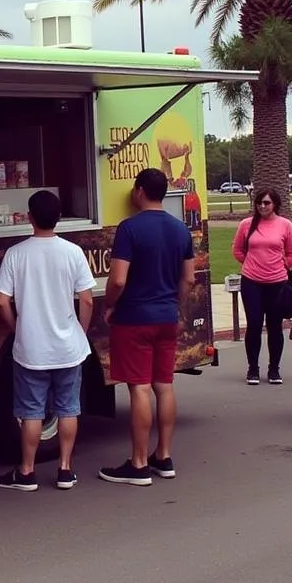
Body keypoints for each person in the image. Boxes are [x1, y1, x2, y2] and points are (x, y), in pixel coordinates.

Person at [0, 190, 95, 492]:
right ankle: (65, 469)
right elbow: (86, 300)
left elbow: (0, 302)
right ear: (59, 218)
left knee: (31, 411)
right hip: (67, 346)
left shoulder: (16, 253)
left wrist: (17, 327)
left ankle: (26, 472)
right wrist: (81, 331)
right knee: (68, 408)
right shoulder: (72, 252)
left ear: (29, 217)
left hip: (31, 348)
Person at [99, 168, 195, 486]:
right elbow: (189, 278)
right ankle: (163, 456)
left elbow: (118, 279)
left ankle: (138, 463)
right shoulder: (180, 229)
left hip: (135, 318)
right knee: (163, 385)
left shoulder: (129, 228)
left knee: (139, 387)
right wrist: (175, 305)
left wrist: (110, 304)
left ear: (139, 191)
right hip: (167, 316)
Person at [232, 188, 292, 385]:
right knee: (253, 324)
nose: (262, 206)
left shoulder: (285, 225)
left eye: (267, 203)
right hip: (252, 282)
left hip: (277, 282)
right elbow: (237, 250)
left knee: (274, 326)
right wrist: (251, 263)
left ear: (275, 204)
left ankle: (274, 369)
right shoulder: (246, 224)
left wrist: (280, 266)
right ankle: (253, 368)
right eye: (260, 202)